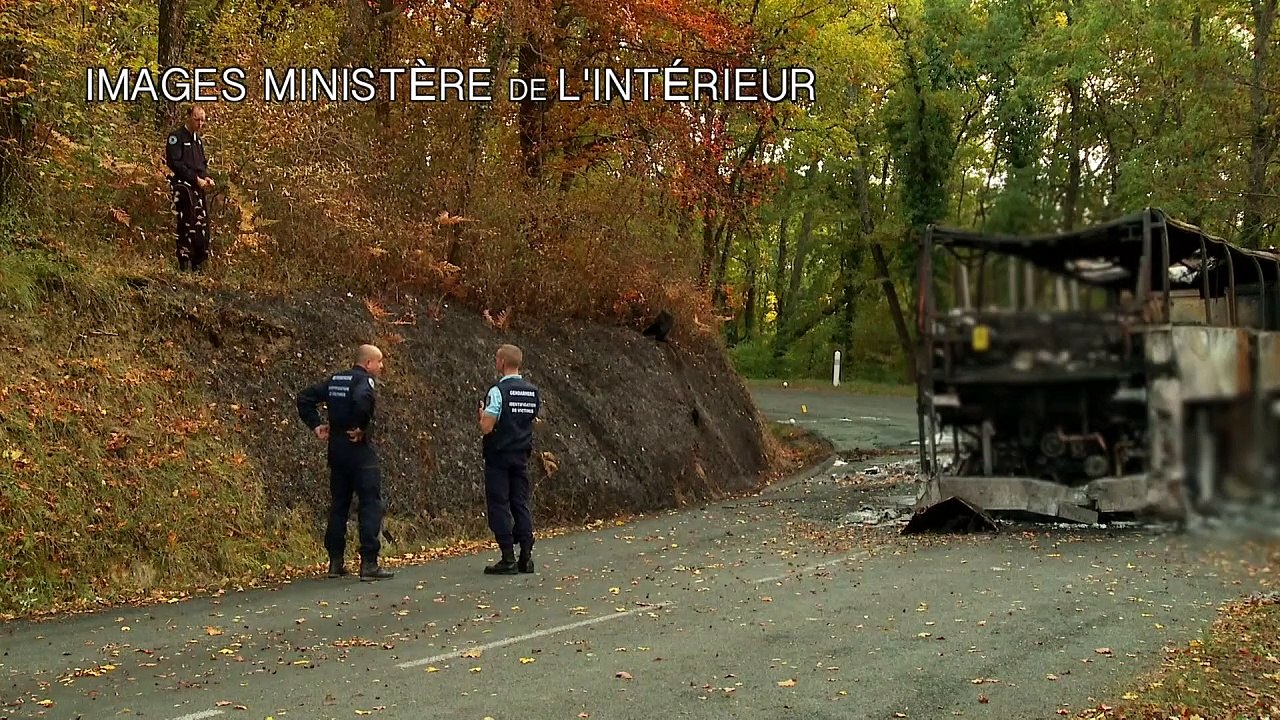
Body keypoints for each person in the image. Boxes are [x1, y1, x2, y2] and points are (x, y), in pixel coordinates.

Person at [296, 344, 395, 581]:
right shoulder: (365, 381)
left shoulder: (336, 379)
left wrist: (316, 425)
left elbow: (305, 397)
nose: (381, 367)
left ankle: (335, 561)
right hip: (358, 448)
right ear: (368, 363)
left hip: (336, 448)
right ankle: (369, 563)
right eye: (379, 362)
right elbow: (363, 400)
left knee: (339, 503)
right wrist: (362, 426)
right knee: (370, 503)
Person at [478, 344, 543, 575]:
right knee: (520, 502)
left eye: (497, 359)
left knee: (499, 504)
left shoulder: (497, 391)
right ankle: (526, 555)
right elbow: (532, 420)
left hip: (499, 454)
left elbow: (487, 427)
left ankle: (507, 557)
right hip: (522, 454)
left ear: (503, 362)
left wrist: (482, 415)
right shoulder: (532, 391)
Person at [165, 105, 214, 272]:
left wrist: (205, 177)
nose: (200, 123)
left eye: (203, 120)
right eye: (197, 119)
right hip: (183, 187)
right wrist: (194, 179)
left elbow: (202, 163)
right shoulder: (176, 137)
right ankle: (183, 266)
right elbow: (175, 163)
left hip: (198, 189)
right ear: (188, 117)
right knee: (186, 225)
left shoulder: (198, 140)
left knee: (202, 228)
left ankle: (198, 266)